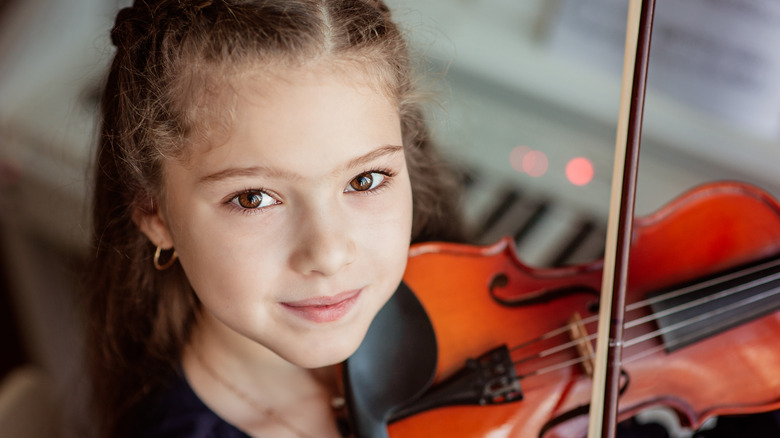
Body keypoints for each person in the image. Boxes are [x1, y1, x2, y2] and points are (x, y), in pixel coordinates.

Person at [84, 1, 463, 437]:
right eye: (253, 198)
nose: (329, 254)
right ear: (155, 214)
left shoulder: (456, 298)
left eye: (364, 180)